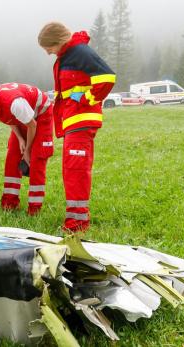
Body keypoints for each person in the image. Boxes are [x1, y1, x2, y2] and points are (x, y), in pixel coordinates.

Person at [38, 22, 115, 233]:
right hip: (73, 121)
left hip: (82, 120)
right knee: (70, 170)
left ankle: (78, 224)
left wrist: (87, 98)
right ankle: (76, 220)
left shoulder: (80, 52)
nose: (47, 52)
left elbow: (107, 77)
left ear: (59, 41)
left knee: (76, 170)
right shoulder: (68, 55)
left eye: (48, 47)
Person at [0, 83, 53, 215]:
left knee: (36, 161)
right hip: (24, 117)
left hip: (40, 115)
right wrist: (20, 138)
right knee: (12, 157)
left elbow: (32, 125)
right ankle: (9, 204)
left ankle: (34, 209)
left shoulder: (14, 104)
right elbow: (8, 118)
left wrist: (28, 151)